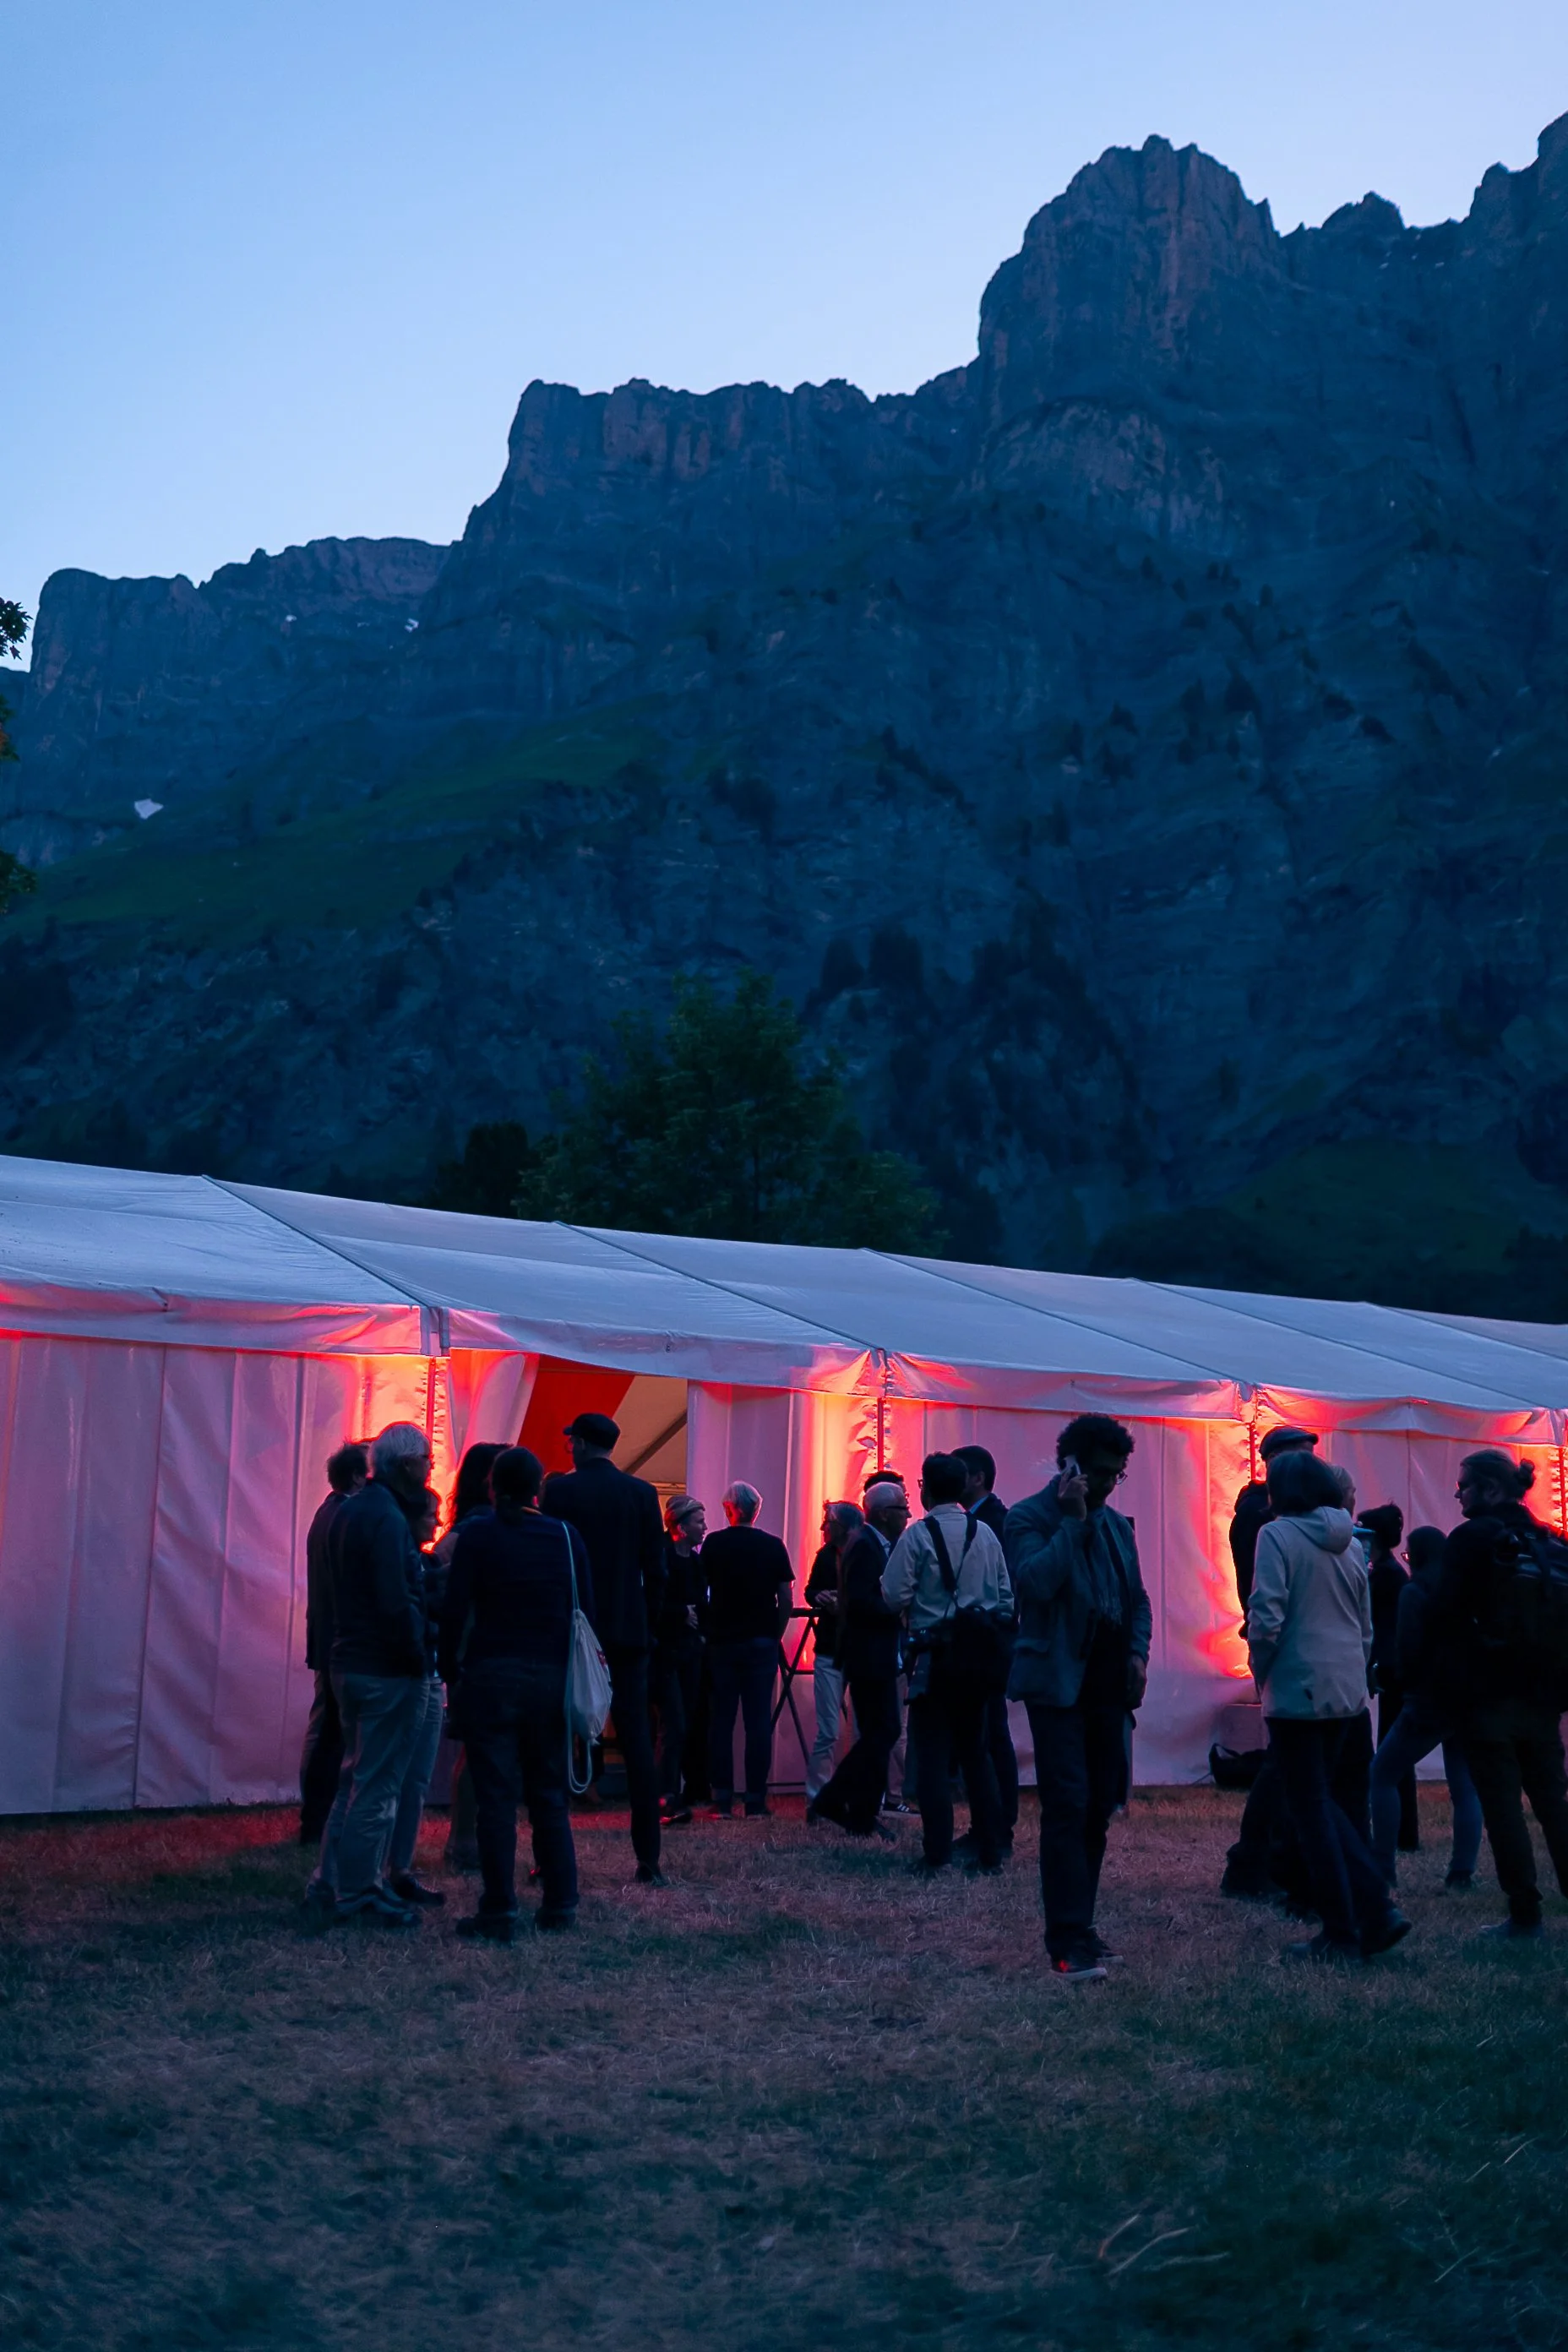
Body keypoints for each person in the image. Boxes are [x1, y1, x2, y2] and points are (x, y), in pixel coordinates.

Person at [1247, 1448, 1411, 1964]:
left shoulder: (1276, 1535)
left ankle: (1344, 1929)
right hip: (1345, 1688)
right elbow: (1363, 1626)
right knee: (1327, 1805)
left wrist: (1261, 1670)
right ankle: (1373, 1909)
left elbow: (1267, 1615)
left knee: (1311, 1810)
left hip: (1300, 1685)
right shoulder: (1351, 1544)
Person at [1005, 1414, 1150, 1981]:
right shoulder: (1029, 1518)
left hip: (1108, 1682)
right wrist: (1071, 1523)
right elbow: (1034, 1585)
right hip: (1060, 1684)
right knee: (1067, 1805)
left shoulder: (1117, 1526)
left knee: (1097, 1807)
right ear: (1071, 1468)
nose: (1110, 1485)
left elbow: (1137, 1599)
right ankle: (1064, 1937)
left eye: (1117, 1475)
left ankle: (1081, 1925)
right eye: (1100, 1474)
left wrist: (1138, 1654)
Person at [441, 1446, 592, 1940]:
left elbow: (456, 1607)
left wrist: (451, 1669)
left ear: (491, 1486)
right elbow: (583, 1608)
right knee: (549, 1794)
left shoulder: (479, 1534)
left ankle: (500, 1907)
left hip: (492, 1673)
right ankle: (560, 1903)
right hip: (549, 1677)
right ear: (538, 1490)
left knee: (496, 1798)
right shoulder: (567, 1538)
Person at [307, 1421, 434, 1928]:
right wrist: (415, 1652)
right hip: (384, 1665)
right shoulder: (386, 1519)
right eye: (426, 1461)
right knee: (379, 1785)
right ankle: (360, 1890)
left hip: (347, 1660)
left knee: (353, 1780)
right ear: (407, 1465)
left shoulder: (346, 1511)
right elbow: (393, 1598)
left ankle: (329, 1879)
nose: (430, 1471)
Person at [1439, 1450, 1568, 1941]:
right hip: (1542, 1697)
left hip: (1488, 1696)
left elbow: (1445, 1614)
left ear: (1491, 1489)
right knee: (1553, 1804)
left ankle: (1525, 1914)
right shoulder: (1551, 1542)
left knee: (1503, 1808)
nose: (1458, 1494)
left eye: (1464, 1485)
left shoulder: (1473, 1540)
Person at [542, 1411, 668, 1885]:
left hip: (573, 1629)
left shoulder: (559, 1492)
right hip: (627, 1630)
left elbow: (554, 1559)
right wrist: (646, 1621)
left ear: (577, 1444)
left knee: (557, 1734)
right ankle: (648, 1858)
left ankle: (549, 1855)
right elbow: (656, 1570)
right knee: (637, 1740)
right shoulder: (640, 1494)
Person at [884, 1451, 1013, 1876]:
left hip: (933, 1658)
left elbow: (892, 1595)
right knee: (978, 1756)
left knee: (934, 1758)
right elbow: (1005, 1598)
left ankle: (936, 1853)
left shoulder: (918, 1536)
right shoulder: (987, 1535)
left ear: (925, 1487)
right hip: (978, 1659)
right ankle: (991, 1850)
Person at [1221, 1424, 1320, 1899]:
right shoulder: (1261, 1519)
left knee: (1289, 1758)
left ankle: (1265, 1860)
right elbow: (1265, 1594)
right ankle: (1256, 1862)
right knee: (1285, 1758)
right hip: (1282, 1639)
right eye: (1299, 1456)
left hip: (1291, 1638)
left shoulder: (1276, 1515)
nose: (1309, 1466)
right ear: (1273, 1460)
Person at [1368, 1524, 1484, 1890]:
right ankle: (1461, 1872)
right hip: (1465, 1700)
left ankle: (1384, 1867)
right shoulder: (1464, 1591)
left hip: (1427, 1703)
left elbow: (1408, 1651)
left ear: (1415, 1557)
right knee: (1465, 1787)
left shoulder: (1414, 1593)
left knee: (1382, 1774)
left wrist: (1397, 1678)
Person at [809, 1480, 910, 1836]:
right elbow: (862, 1601)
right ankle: (834, 1798)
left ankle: (862, 1813)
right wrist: (899, 1607)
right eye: (902, 1507)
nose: (909, 1513)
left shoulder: (873, 1544)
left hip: (873, 1652)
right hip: (869, 1654)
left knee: (879, 1733)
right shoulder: (867, 1547)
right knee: (883, 1731)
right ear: (883, 1514)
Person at [425, 1440, 507, 1871]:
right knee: (477, 1752)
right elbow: (442, 1592)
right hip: (476, 1654)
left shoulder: (469, 1530)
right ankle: (462, 1843)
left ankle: (469, 1841)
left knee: (480, 1751)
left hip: (475, 1653)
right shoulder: (469, 1533)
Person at [702, 1482, 793, 1816]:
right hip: (761, 1642)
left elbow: (702, 1590)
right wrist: (775, 1633)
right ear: (756, 1510)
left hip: (722, 1641)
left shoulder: (714, 1544)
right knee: (758, 1722)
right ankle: (755, 1799)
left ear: (729, 1509)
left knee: (721, 1722)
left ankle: (721, 1797)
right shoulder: (773, 1546)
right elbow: (785, 1597)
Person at [298, 1441, 367, 1846]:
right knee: (329, 1731)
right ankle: (317, 1815)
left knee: (324, 1725)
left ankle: (316, 1812)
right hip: (338, 1638)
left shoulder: (328, 1511)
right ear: (358, 1477)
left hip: (326, 1634)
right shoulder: (345, 1516)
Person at [955, 1443, 1019, 1856]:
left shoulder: (994, 1523)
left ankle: (997, 1826)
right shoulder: (987, 1519)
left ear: (977, 1477)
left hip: (989, 1642)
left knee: (991, 1736)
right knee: (989, 1735)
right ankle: (992, 1824)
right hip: (990, 1641)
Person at [1361, 1501, 1418, 1855]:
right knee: (1395, 1752)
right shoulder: (1389, 1572)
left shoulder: (1383, 1575)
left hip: (1393, 1670)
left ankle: (1403, 1833)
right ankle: (1404, 1832)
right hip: (1395, 1668)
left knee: (1392, 1753)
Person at [653, 1493, 707, 1827]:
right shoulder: (661, 1557)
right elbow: (650, 1600)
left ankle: (676, 1789)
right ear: (681, 1526)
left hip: (689, 1650)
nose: (705, 1527)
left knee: (683, 1721)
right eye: (699, 1521)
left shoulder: (695, 1560)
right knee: (672, 1722)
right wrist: (679, 1614)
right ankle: (665, 1795)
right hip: (665, 1651)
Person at [804, 1500, 863, 1802]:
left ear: (839, 1525)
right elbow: (810, 1590)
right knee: (829, 1729)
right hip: (830, 1648)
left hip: (858, 1648)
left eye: (826, 1523)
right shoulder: (825, 1556)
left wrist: (840, 1600)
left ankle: (860, 1795)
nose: (822, 1528)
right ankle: (819, 1797)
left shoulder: (865, 1552)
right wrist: (821, 1596)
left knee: (861, 1731)